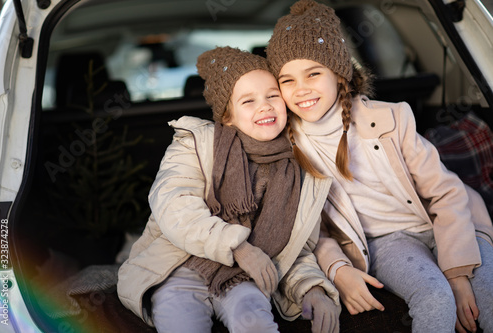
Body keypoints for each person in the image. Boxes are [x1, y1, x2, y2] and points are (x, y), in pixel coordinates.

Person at [265, 1, 493, 332]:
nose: (301, 89)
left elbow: (444, 192)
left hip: (449, 220)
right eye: (287, 80)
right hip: (385, 242)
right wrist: (338, 269)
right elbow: (314, 233)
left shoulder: (391, 117)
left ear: (339, 73)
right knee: (435, 297)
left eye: (313, 73)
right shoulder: (289, 149)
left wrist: (458, 274)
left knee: (485, 296)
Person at [117, 46, 341, 333]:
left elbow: (293, 249)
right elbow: (174, 206)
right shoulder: (195, 145)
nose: (264, 106)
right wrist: (237, 247)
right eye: (248, 101)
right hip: (180, 267)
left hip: (244, 279)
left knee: (257, 325)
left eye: (273, 95)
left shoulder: (298, 168)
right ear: (228, 116)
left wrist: (313, 289)